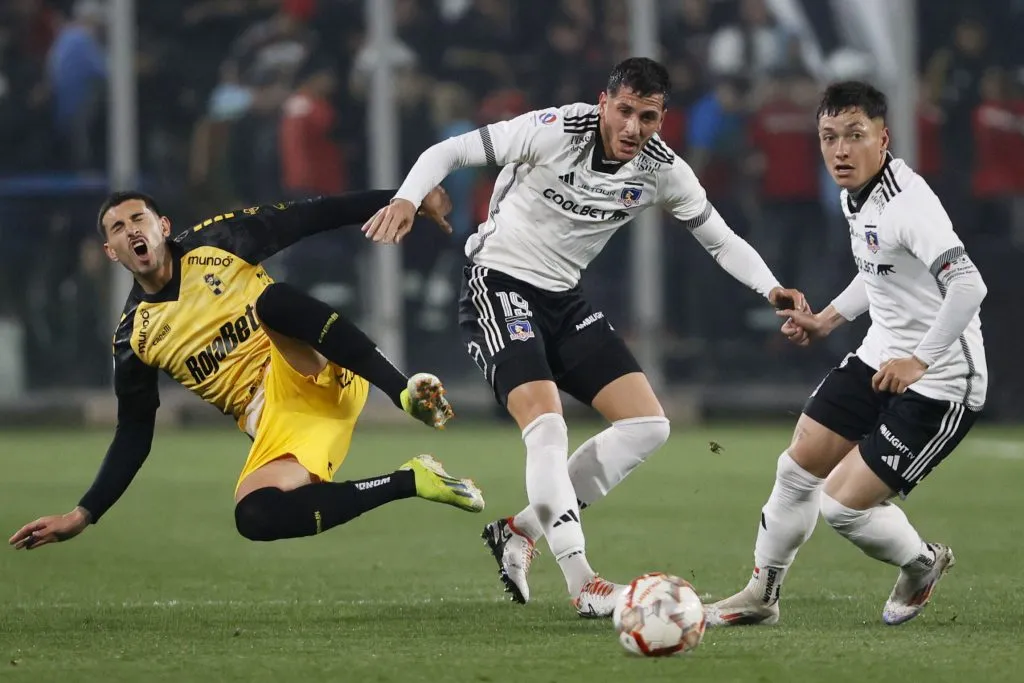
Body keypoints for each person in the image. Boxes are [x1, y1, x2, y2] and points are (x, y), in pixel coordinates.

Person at [363, 57, 805, 617]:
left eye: (646, 117)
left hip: (562, 299)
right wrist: (407, 196)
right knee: (548, 425)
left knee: (648, 426)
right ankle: (582, 582)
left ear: (661, 118)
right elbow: (448, 152)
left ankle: (519, 531)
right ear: (603, 103)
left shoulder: (662, 170)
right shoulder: (553, 130)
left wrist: (772, 290)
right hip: (497, 282)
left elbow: (720, 239)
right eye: (623, 111)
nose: (631, 128)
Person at [9, 188, 485, 553]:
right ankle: (410, 480)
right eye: (117, 228)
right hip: (283, 425)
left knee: (271, 301)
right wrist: (83, 513)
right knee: (255, 517)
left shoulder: (218, 243)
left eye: (139, 218)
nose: (131, 230)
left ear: (162, 226)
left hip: (315, 362)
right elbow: (134, 432)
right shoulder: (134, 336)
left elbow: (310, 215)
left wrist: (406, 198)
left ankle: (404, 393)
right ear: (112, 251)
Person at [705, 81, 988, 627]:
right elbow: (877, 268)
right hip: (879, 355)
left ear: (883, 139)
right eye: (829, 137)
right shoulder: (855, 193)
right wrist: (827, 320)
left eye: (855, 136)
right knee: (795, 469)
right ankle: (761, 597)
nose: (840, 150)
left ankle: (923, 563)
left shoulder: (909, 206)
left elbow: (969, 286)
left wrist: (920, 360)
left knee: (841, 507)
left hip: (942, 380)